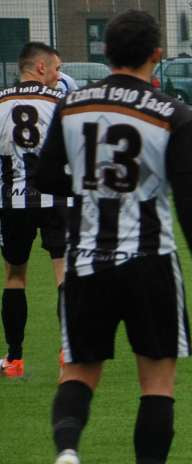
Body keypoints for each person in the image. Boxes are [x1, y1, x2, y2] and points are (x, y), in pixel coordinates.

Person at [33, 10, 192, 464]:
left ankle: (67, 450)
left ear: (105, 53)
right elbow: (188, 197)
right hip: (150, 263)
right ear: (156, 54)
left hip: (85, 262)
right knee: (157, 384)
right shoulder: (173, 112)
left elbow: (47, 175)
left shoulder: (71, 103)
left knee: (78, 372)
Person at [0, 42, 67, 379]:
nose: (58, 76)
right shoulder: (60, 103)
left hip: (13, 202)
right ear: (40, 67)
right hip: (57, 199)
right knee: (64, 273)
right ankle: (69, 353)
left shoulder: (0, 102)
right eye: (56, 68)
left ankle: (14, 360)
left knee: (14, 277)